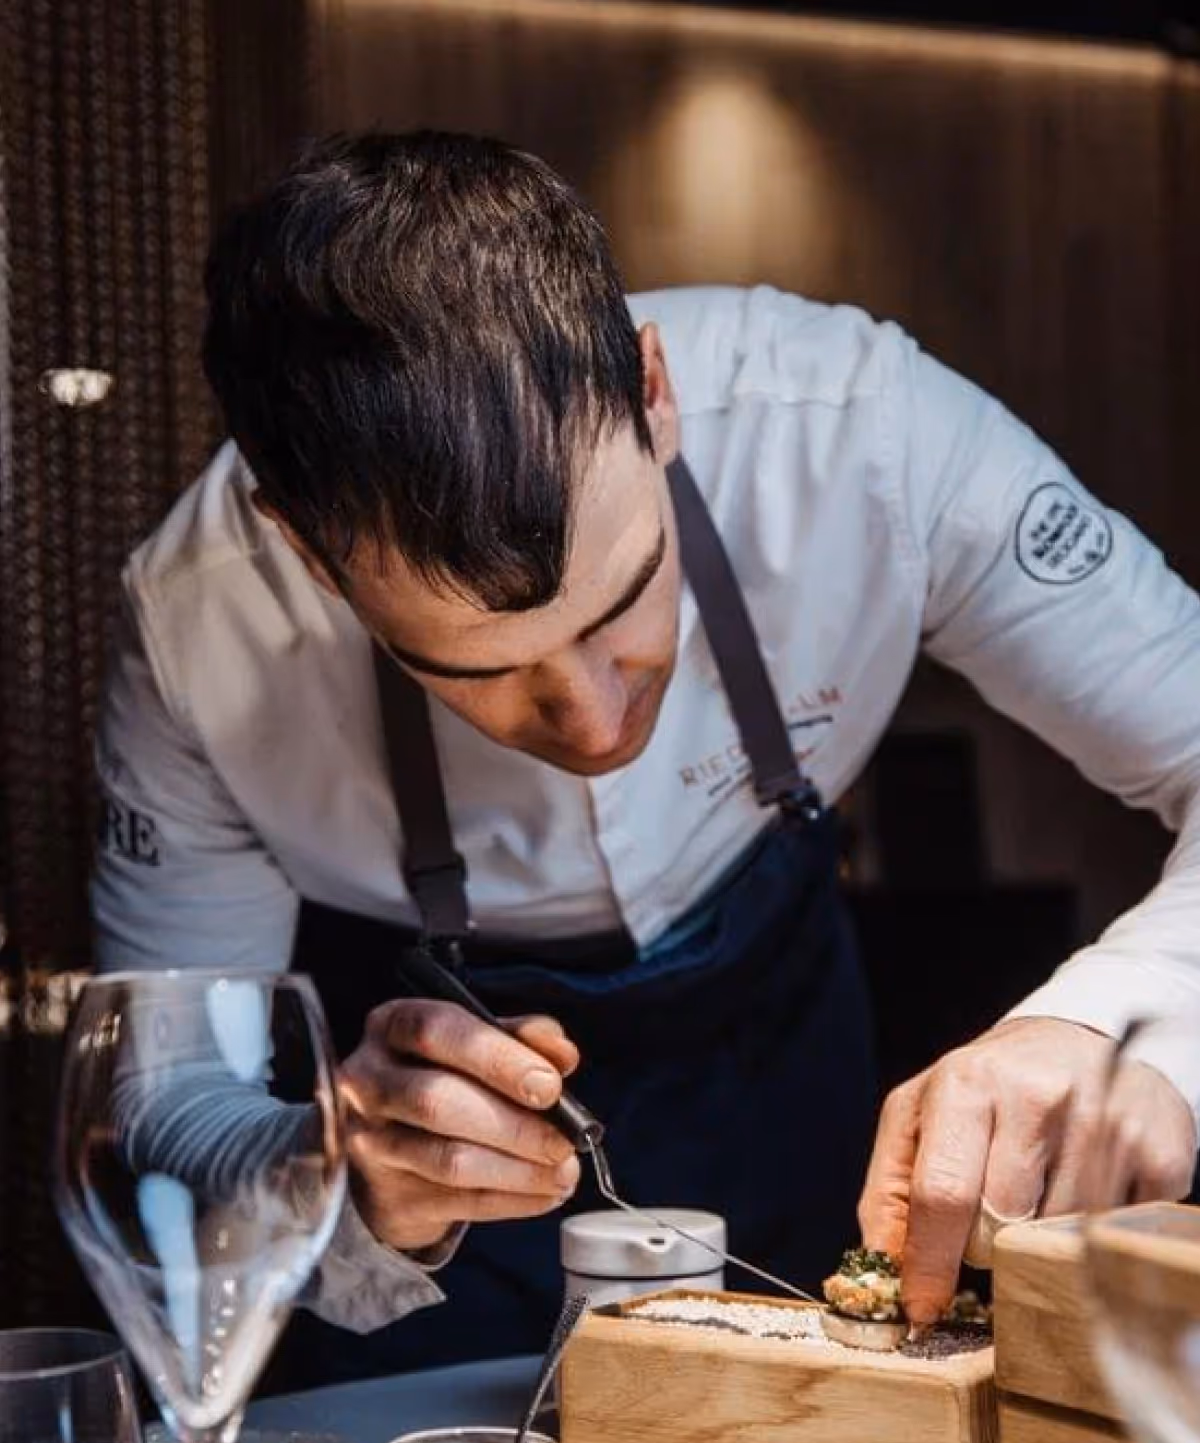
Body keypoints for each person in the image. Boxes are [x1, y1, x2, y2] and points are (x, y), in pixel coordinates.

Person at [93, 131, 1199, 1377]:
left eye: (623, 601)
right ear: (306, 552)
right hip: (430, 1288)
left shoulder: (862, 434)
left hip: (782, 1105)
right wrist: (335, 1169)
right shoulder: (200, 627)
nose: (589, 719)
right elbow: (164, 1112)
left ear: (653, 393)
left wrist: (1111, 1021)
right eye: (481, 668)